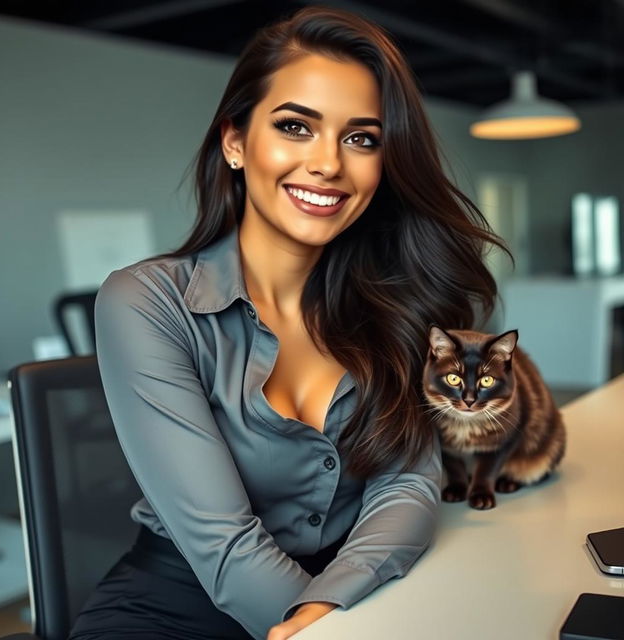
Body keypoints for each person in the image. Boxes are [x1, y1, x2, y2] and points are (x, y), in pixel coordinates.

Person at [69, 6, 506, 640]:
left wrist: (333, 609)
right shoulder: (145, 301)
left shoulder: (401, 303)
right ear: (236, 142)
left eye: (362, 138)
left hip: (351, 593)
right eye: (296, 126)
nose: (329, 163)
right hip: (176, 604)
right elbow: (221, 543)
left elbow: (407, 483)